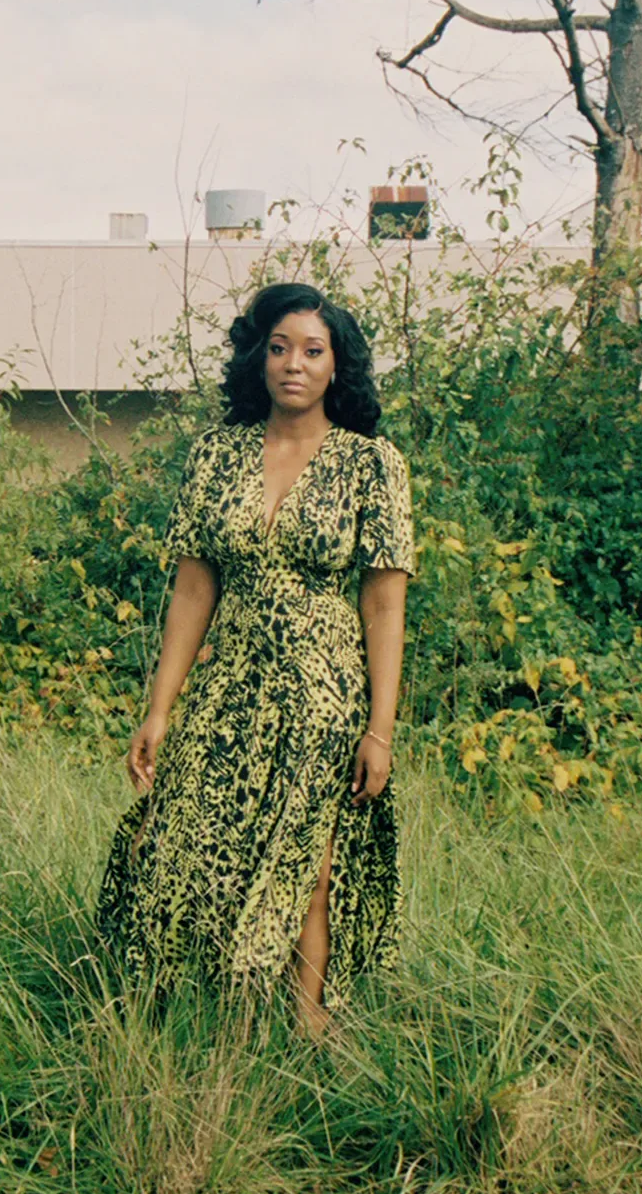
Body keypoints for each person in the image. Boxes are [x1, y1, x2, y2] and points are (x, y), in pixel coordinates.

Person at [94, 282, 414, 1039]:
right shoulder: (217, 455)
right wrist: (160, 707)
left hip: (323, 686)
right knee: (172, 836)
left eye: (312, 350)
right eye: (278, 348)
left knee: (310, 856)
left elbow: (384, 605)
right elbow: (194, 588)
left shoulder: (373, 465)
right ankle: (182, 1011)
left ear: (337, 365)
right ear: (257, 357)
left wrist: (381, 728)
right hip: (231, 677)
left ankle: (310, 1024)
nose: (292, 365)